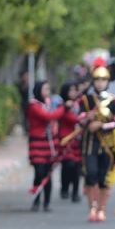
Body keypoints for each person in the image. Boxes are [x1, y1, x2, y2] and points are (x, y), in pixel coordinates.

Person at [78, 65, 115, 223]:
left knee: (104, 177)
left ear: (108, 81)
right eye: (97, 79)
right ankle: (92, 208)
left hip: (107, 144)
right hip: (90, 142)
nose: (100, 83)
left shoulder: (114, 100)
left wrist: (102, 125)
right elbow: (80, 118)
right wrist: (88, 118)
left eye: (103, 79)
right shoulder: (86, 99)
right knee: (91, 174)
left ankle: (102, 209)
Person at [26, 80, 65, 212]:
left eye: (48, 89)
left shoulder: (49, 103)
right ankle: (36, 200)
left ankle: (46, 203)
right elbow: (48, 116)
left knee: (48, 173)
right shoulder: (33, 105)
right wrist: (63, 108)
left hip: (49, 144)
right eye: (45, 89)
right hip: (37, 143)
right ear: (38, 90)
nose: (47, 92)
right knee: (39, 172)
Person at [57, 82, 83, 203]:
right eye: (70, 90)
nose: (73, 93)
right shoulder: (62, 105)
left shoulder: (80, 104)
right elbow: (72, 118)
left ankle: (75, 192)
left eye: (74, 90)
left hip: (78, 140)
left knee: (77, 167)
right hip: (66, 139)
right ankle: (64, 188)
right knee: (68, 165)